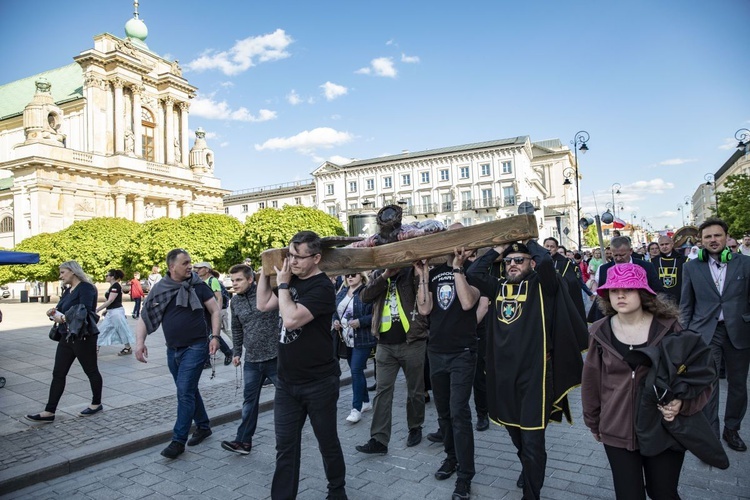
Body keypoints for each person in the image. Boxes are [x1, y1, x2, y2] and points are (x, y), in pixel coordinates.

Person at [582, 263, 714, 499]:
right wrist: (594, 421)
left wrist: (683, 405)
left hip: (662, 429)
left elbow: (701, 375)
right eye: (613, 290)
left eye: (628, 289)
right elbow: (592, 380)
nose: (620, 295)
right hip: (617, 429)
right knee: (628, 494)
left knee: (663, 493)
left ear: (642, 292)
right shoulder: (599, 331)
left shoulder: (669, 328)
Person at [466, 241, 587, 500]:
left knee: (532, 439)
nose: (512, 264)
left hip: (536, 374)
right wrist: (499, 249)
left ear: (531, 262)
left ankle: (532, 494)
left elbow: (545, 262)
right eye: (509, 261)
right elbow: (474, 273)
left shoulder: (544, 285)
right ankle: (528, 466)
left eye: (519, 260)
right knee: (515, 431)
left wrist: (527, 237)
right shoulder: (497, 287)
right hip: (504, 374)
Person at [256, 231, 347, 500]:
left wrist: (283, 286)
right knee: (285, 447)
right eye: (290, 255)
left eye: (298, 257)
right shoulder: (290, 279)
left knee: (327, 442)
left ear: (316, 257)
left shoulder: (322, 288)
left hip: (319, 382)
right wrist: (265, 270)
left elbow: (292, 319)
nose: (292, 261)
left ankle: (337, 491)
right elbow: (263, 304)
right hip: (287, 383)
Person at [135, 249, 222, 459]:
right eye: (185, 263)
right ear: (171, 267)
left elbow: (215, 310)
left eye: (190, 262)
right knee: (188, 390)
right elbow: (145, 316)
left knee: (184, 392)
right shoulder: (160, 288)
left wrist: (215, 337)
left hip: (196, 346)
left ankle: (178, 441)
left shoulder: (198, 286)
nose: (189, 266)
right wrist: (140, 342)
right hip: (172, 349)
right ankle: (203, 426)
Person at [415, 243, 480, 500]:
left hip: (463, 352)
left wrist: (457, 269)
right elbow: (424, 309)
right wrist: (422, 276)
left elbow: (466, 303)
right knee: (443, 414)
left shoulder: (473, 272)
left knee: (459, 413)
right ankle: (451, 459)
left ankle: (465, 476)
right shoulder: (432, 273)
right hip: (436, 351)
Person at [680, 218, 750, 452]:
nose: (713, 240)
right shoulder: (690, 267)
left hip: (739, 332)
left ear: (727, 237)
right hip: (706, 333)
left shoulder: (745, 264)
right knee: (708, 385)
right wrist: (686, 335)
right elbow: (686, 305)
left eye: (717, 235)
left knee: (738, 385)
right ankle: (711, 433)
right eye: (708, 236)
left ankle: (732, 429)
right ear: (700, 240)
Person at [355, 263, 428, 455]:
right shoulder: (379, 274)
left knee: (415, 390)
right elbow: (364, 297)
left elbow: (424, 300)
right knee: (382, 391)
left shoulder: (412, 271)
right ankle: (379, 439)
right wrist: (384, 276)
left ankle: (415, 426)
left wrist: (419, 273)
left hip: (412, 341)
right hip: (384, 344)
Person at [26, 261, 103, 423]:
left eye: (62, 272)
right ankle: (49, 411)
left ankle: (96, 403)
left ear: (73, 272)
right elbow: (60, 308)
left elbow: (86, 310)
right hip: (66, 336)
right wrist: (52, 312)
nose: (60, 276)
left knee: (91, 370)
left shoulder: (86, 288)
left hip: (83, 337)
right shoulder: (68, 290)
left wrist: (63, 317)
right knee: (58, 373)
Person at [221, 264, 279, 455]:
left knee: (290, 395)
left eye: (238, 280)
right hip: (252, 360)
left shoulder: (268, 292)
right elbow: (236, 328)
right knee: (249, 402)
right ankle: (243, 442)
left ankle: (295, 426)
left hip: (275, 357)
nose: (234, 284)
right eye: (232, 280)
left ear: (250, 279)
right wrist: (237, 352)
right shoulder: (234, 302)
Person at [333, 272, 375, 424]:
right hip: (345, 338)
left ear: (361, 276)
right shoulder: (342, 291)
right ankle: (365, 401)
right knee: (355, 370)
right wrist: (335, 321)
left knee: (356, 370)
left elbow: (376, 314)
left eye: (353, 274)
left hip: (362, 338)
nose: (349, 277)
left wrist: (361, 321)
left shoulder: (366, 291)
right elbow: (334, 311)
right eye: (347, 275)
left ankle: (356, 409)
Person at [193, 262, 233, 366]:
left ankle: (227, 352)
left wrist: (217, 313)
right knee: (208, 335)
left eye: (200, 268)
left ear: (207, 269)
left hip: (212, 312)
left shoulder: (213, 280)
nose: (197, 270)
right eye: (196, 268)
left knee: (212, 335)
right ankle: (208, 360)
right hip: (205, 312)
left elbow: (219, 297)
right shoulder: (200, 281)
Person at [542, 237, 586, 322]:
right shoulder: (538, 260)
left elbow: (571, 282)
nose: (549, 249)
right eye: (547, 246)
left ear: (556, 248)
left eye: (552, 247)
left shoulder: (564, 262)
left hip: (559, 299)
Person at [96, 269, 135, 356]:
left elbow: (110, 300)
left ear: (112, 277)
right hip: (113, 312)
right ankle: (96, 349)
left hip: (116, 313)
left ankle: (127, 348)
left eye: (107, 275)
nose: (106, 277)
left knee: (121, 329)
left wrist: (98, 309)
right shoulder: (113, 286)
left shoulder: (115, 286)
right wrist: (107, 310)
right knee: (103, 329)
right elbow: (113, 301)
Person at [650, 235, 687, 306]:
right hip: (660, 300)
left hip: (680, 299)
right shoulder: (652, 262)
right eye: (662, 245)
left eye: (667, 244)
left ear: (672, 244)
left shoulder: (684, 260)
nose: (664, 247)